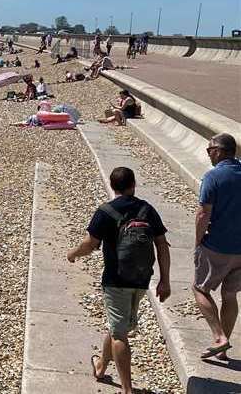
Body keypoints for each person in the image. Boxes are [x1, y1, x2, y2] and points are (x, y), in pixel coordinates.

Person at [67, 167, 170, 394]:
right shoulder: (147, 210)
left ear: (113, 187)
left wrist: (73, 254)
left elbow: (89, 245)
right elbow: (162, 245)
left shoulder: (106, 211)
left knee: (119, 334)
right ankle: (101, 366)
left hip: (115, 280)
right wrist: (165, 280)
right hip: (142, 280)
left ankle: (127, 390)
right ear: (134, 184)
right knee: (118, 326)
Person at [193, 133, 241, 360]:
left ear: (219, 151)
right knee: (230, 293)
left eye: (209, 150)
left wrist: (198, 241)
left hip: (217, 246)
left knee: (200, 289)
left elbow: (203, 213)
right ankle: (223, 351)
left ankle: (219, 337)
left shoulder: (213, 176)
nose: (208, 154)